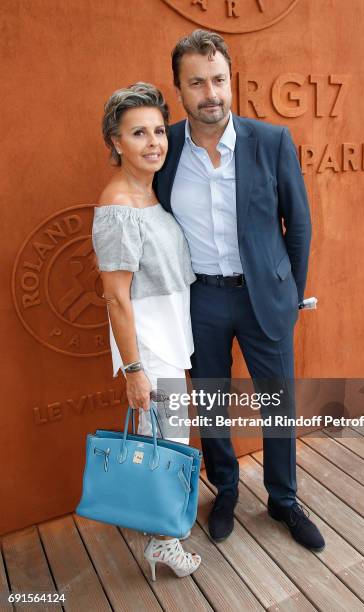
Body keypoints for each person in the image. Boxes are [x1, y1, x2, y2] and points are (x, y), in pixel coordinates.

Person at [154, 30, 326, 551]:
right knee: (211, 400)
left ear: (232, 81)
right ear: (180, 89)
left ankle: (284, 499)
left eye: (220, 80)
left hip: (263, 297)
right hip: (200, 298)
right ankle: (224, 489)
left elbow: (297, 224)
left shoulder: (270, 141)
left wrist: (290, 295)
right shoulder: (167, 148)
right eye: (198, 82)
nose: (211, 93)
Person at [92, 82, 201, 580]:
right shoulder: (117, 206)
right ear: (115, 142)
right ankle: (163, 542)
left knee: (164, 437)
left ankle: (162, 532)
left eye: (159, 130)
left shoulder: (147, 193)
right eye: (139, 133)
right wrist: (135, 369)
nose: (154, 141)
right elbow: (116, 295)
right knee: (164, 439)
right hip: (149, 351)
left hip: (166, 342)